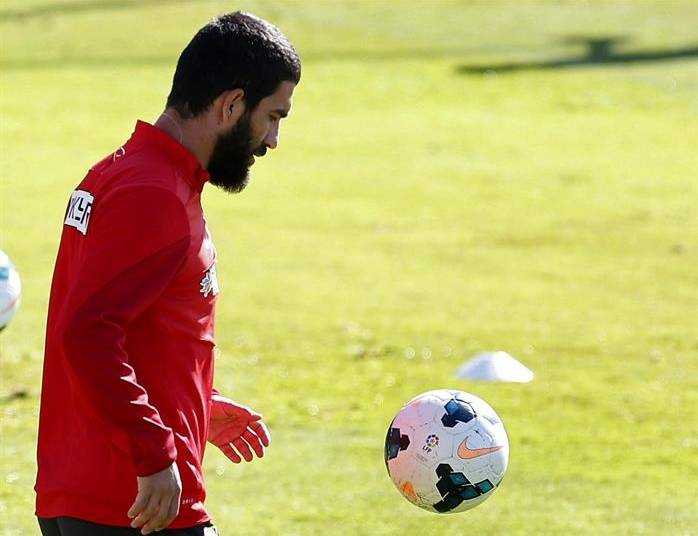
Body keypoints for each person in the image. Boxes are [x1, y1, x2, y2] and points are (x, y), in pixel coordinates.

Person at [34, 11, 301, 535]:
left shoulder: (123, 172)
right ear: (231, 104)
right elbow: (87, 333)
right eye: (273, 116)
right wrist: (155, 451)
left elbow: (129, 326)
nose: (271, 140)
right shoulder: (154, 196)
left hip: (93, 496)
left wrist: (195, 405)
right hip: (134, 505)